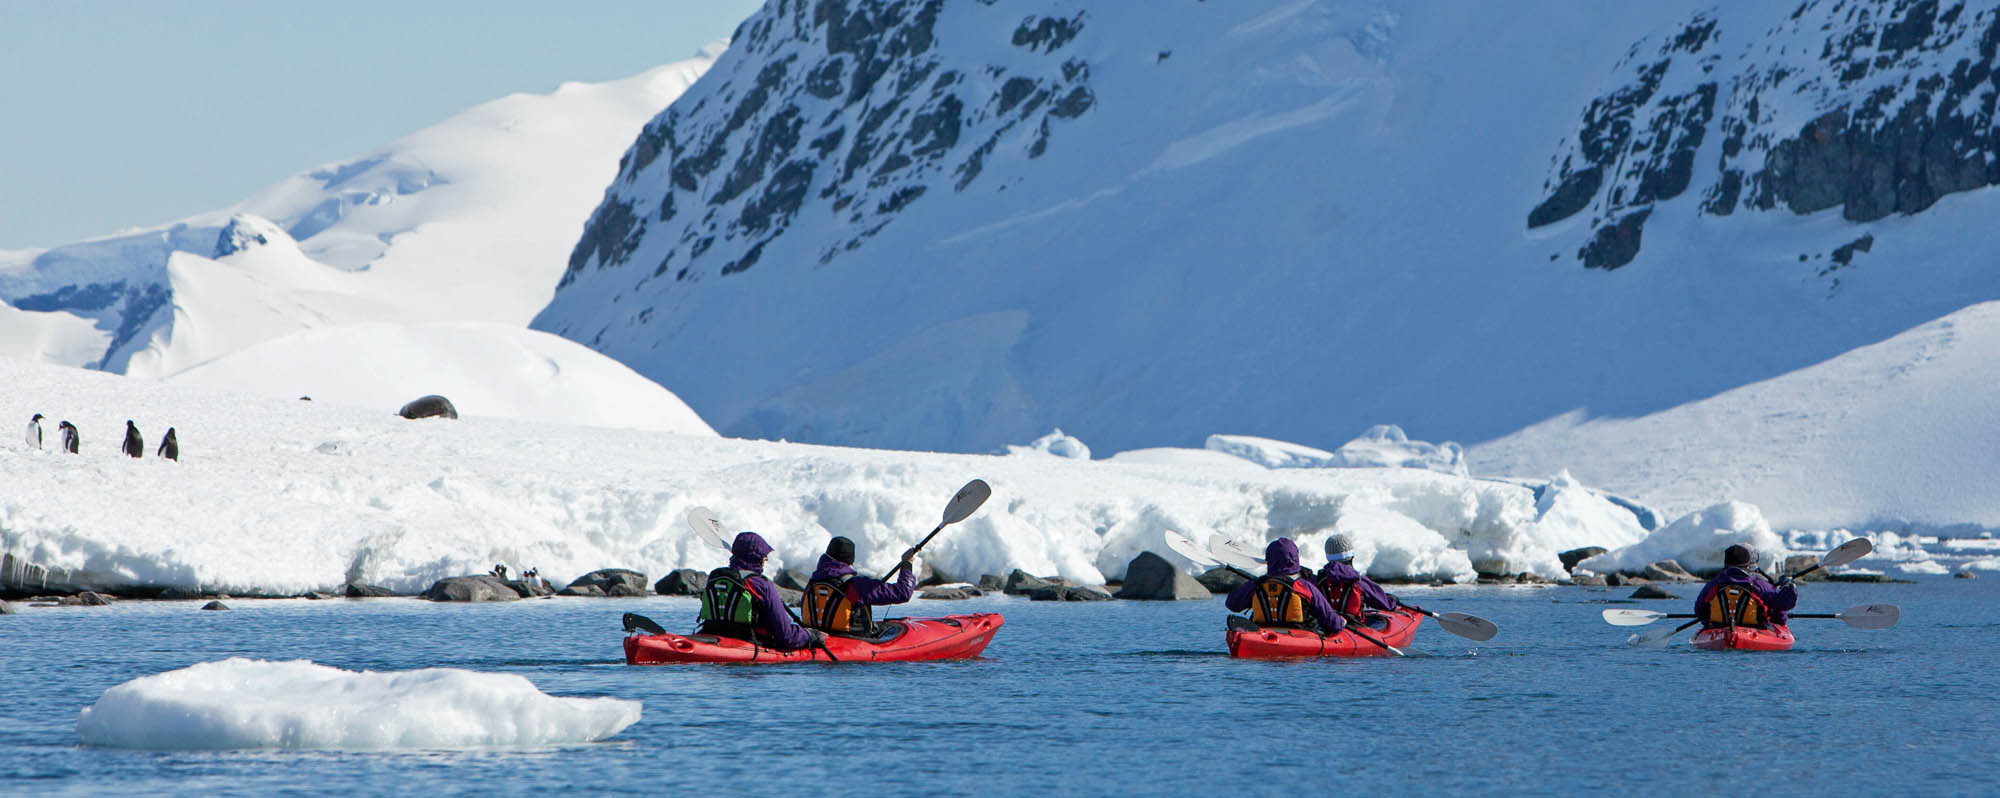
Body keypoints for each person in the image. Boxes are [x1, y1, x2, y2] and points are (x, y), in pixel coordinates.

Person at [698, 531, 820, 650]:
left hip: (712, 636)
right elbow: (787, 636)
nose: (764, 561)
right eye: (764, 558)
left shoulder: (715, 577)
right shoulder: (761, 584)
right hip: (750, 643)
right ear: (757, 558)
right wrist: (810, 635)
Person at [801, 536, 918, 637]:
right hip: (854, 640)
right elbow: (903, 592)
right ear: (850, 561)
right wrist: (907, 564)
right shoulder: (856, 585)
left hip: (817, 637)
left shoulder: (812, 582)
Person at [1226, 538, 1345, 634]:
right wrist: (1341, 622)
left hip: (1263, 634)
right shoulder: (1305, 587)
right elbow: (1333, 624)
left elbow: (1232, 604)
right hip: (1299, 637)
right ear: (1295, 559)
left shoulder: (1257, 584)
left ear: (1269, 560)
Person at [1314, 534, 1418, 629]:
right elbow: (1385, 604)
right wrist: (1392, 600)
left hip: (1324, 627)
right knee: (1377, 621)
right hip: (1354, 627)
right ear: (1351, 556)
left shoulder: (1318, 579)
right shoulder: (1359, 581)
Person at [1694, 544, 1797, 629]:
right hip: (1755, 628)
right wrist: (1788, 585)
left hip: (1719, 627)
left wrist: (1708, 622)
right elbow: (1785, 602)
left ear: (1725, 563)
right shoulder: (1758, 584)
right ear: (1748, 565)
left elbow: (1699, 610)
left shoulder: (1714, 583)